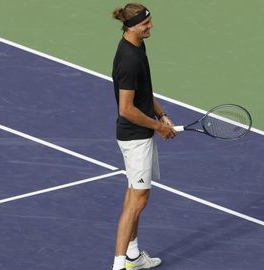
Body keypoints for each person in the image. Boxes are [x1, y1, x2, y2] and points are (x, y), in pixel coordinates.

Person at [111, 3, 176, 270]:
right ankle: (118, 266)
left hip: (140, 134)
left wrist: (161, 116)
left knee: (133, 197)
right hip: (135, 138)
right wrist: (158, 127)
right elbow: (126, 109)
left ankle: (134, 257)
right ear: (131, 26)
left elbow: (144, 91)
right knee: (137, 202)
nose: (150, 27)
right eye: (145, 24)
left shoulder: (138, 46)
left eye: (150, 21)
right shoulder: (128, 59)